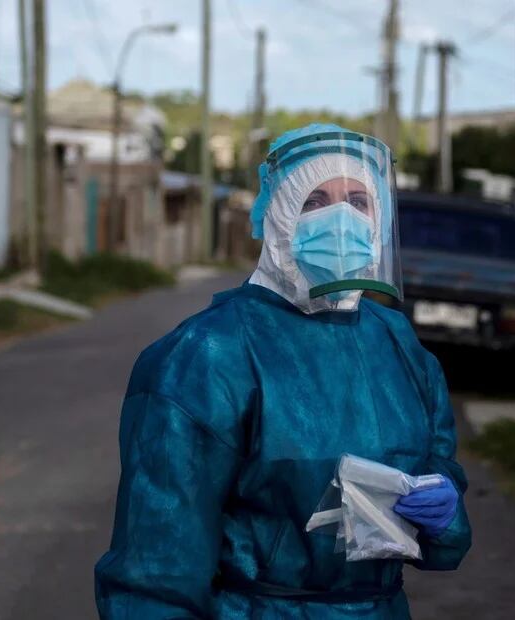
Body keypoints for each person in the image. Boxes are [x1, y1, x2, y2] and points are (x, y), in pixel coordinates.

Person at [94, 124, 471, 619]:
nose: (342, 219)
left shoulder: (397, 344)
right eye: (317, 200)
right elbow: (155, 571)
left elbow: (440, 494)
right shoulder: (207, 354)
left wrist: (444, 514)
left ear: (380, 222)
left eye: (359, 202)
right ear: (277, 215)